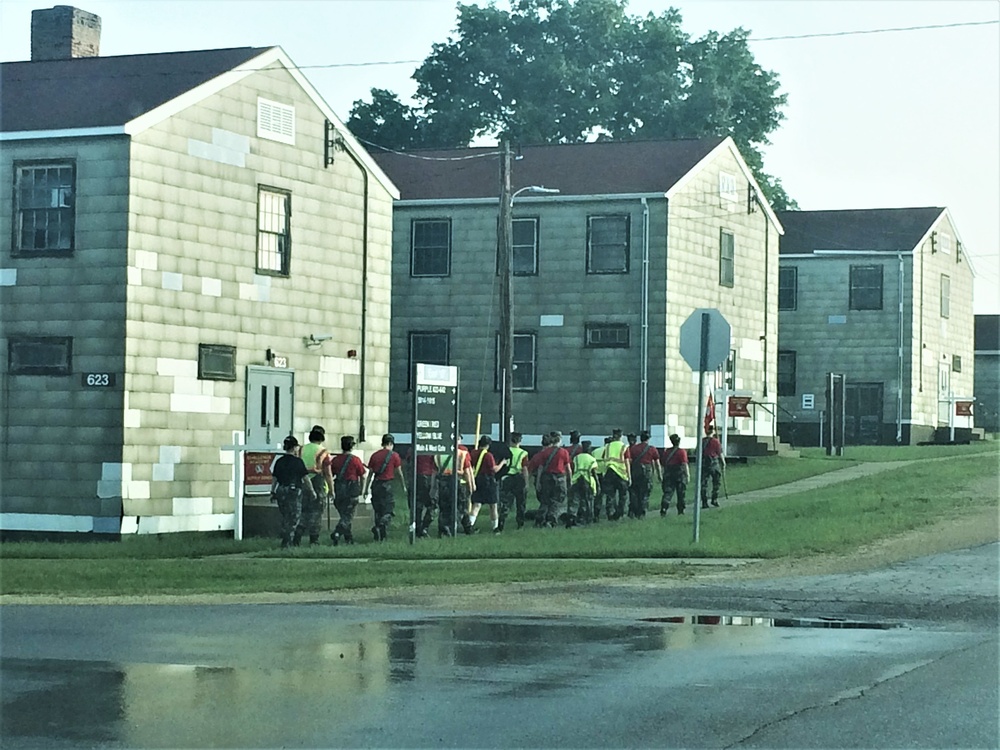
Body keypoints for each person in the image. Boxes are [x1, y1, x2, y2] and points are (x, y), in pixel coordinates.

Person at [363, 434, 405, 542]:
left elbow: (370, 474)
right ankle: (379, 527)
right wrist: (403, 486)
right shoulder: (394, 456)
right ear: (391, 444)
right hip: (387, 485)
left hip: (376, 485)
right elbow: (399, 473)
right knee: (388, 510)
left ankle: (381, 535)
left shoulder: (375, 455)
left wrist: (366, 489)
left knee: (378, 510)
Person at [295, 426, 332, 546]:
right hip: (318, 484)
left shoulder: (300, 450)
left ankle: (296, 538)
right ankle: (314, 540)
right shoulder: (323, 452)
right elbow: (328, 474)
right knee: (316, 513)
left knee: (303, 512)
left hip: (302, 483)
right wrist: (332, 490)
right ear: (322, 438)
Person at [270, 435, 309, 549]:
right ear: (294, 448)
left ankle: (288, 539)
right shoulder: (298, 462)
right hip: (294, 491)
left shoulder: (279, 461)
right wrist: (312, 492)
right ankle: (287, 542)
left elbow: (275, 479)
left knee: (286, 515)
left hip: (281, 490)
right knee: (294, 517)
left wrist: (273, 492)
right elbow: (305, 478)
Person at [328, 435, 367, 545]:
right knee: (348, 516)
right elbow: (362, 475)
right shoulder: (355, 460)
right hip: (352, 489)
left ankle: (349, 539)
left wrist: (331, 490)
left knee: (344, 515)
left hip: (339, 489)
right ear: (352, 446)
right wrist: (362, 489)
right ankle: (337, 533)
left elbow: (330, 475)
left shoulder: (335, 460)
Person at [527, 431, 572, 528]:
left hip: (546, 478)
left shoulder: (545, 452)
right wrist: (570, 481)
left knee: (545, 500)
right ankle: (551, 520)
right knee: (557, 500)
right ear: (559, 440)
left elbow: (540, 468)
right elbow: (568, 469)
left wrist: (538, 481)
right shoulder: (564, 452)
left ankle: (540, 519)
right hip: (560, 478)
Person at [436, 439, 475, 536]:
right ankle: (451, 527)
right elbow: (466, 472)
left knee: (444, 508)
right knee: (461, 508)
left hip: (443, 484)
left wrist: (434, 487)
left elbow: (435, 471)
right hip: (458, 484)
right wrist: (470, 486)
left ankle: (444, 529)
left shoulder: (439, 454)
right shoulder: (462, 453)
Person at [469, 436, 505, 532]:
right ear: (488, 445)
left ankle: (469, 526)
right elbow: (494, 469)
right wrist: (502, 463)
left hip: (477, 479)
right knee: (493, 505)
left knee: (476, 504)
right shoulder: (488, 455)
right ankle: (495, 528)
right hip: (489, 481)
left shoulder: (473, 453)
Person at [497, 432, 529, 530]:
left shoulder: (505, 451)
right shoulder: (523, 453)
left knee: (505, 501)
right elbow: (524, 469)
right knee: (520, 502)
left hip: (506, 477)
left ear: (510, 440)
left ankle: (501, 521)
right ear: (520, 441)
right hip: (518, 477)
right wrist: (526, 482)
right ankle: (520, 523)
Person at [626, 430, 660, 519]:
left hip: (635, 472)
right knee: (645, 493)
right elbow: (657, 463)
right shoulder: (652, 449)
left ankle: (634, 511)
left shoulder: (633, 449)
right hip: (646, 473)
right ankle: (642, 512)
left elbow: (629, 461)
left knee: (635, 492)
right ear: (648, 438)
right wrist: (659, 475)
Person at [599, 429, 630, 521]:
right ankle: (619, 514)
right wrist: (629, 475)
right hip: (621, 473)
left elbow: (604, 458)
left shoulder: (608, 446)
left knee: (610, 495)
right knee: (622, 495)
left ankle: (610, 513)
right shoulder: (624, 446)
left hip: (609, 472)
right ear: (621, 436)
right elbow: (627, 461)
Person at [406, 447, 438, 537]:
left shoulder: (412, 448)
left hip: (415, 477)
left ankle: (417, 528)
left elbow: (408, 463)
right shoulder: (432, 448)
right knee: (432, 504)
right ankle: (424, 528)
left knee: (417, 505)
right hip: (428, 477)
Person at [567, 440, 599, 527]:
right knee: (588, 500)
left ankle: (572, 516)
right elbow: (594, 472)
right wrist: (598, 484)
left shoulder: (576, 457)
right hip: (587, 480)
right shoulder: (592, 459)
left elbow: (573, 468)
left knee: (575, 500)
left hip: (576, 479)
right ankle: (588, 518)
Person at [660, 433, 689, 516]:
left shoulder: (666, 452)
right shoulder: (682, 452)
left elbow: (663, 463)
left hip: (668, 474)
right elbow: (684, 464)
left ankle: (664, 508)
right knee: (681, 494)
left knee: (667, 493)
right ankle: (681, 510)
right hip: (679, 475)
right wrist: (687, 475)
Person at [700, 425, 725, 508]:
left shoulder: (702, 442)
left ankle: (704, 501)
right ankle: (714, 499)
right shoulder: (716, 441)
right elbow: (720, 453)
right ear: (713, 431)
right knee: (716, 482)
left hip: (704, 464)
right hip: (714, 464)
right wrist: (723, 463)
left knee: (703, 484)